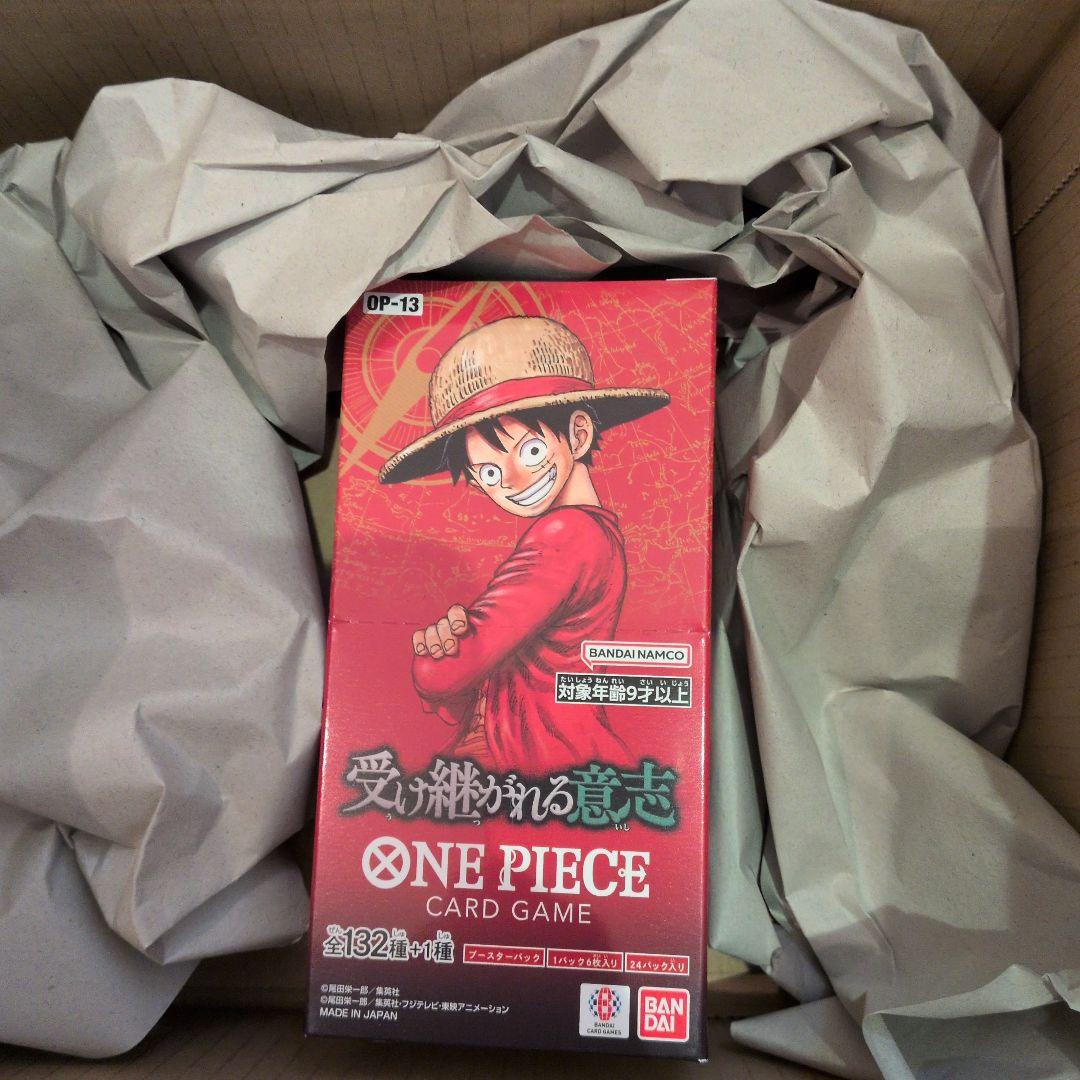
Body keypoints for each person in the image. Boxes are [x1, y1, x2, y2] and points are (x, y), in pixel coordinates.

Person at [379, 315, 669, 774]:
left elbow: (445, 674)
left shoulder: (567, 535)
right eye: (489, 473)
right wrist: (450, 646)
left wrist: (435, 660)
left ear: (578, 434)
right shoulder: (595, 532)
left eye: (531, 451)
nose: (512, 482)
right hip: (538, 760)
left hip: (534, 763)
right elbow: (496, 680)